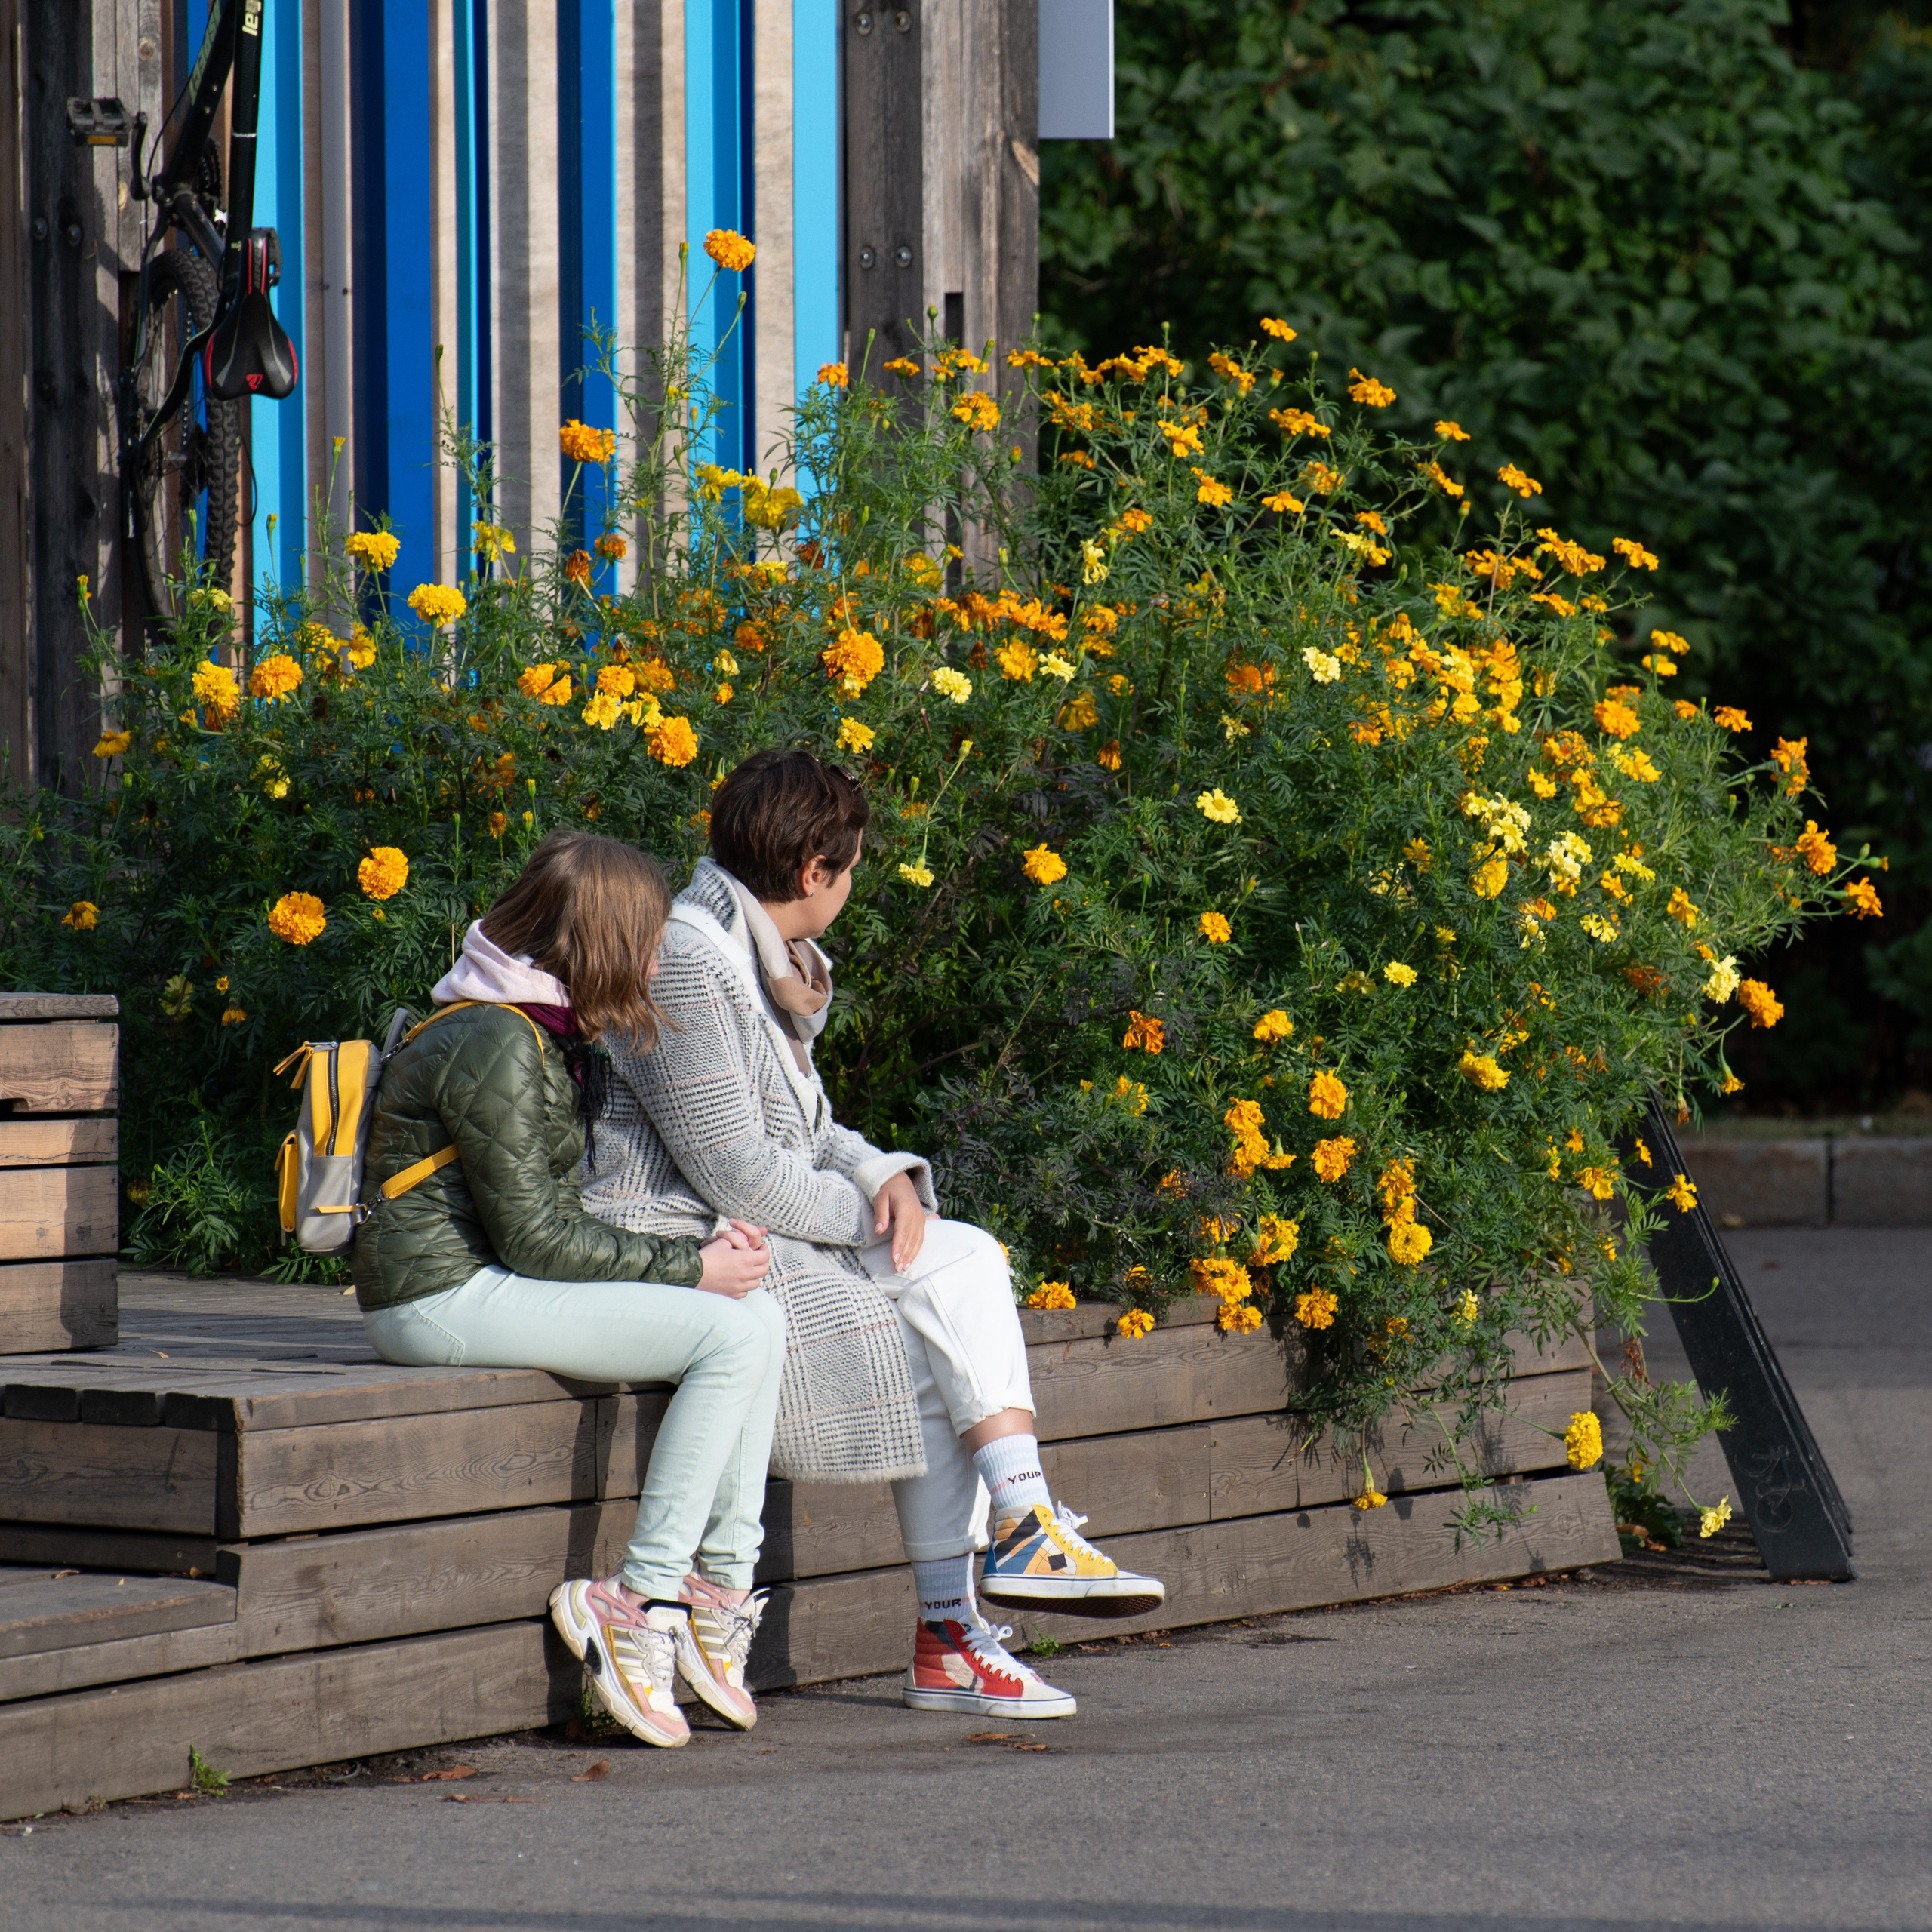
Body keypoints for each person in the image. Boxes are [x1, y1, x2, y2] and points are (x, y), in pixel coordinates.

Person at [583, 750, 1164, 1721]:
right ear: (817, 872)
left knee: (948, 1293)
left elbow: (802, 1128)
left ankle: (978, 1593)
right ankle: (985, 1577)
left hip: (748, 1225)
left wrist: (882, 1171)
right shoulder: (690, 955)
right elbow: (736, 1167)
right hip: (684, 1235)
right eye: (850, 867)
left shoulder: (754, 949)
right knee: (957, 1273)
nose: (852, 885)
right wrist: (872, 1216)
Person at [353, 829, 784, 1749]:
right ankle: (639, 1597)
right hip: (435, 1299)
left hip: (481, 1281)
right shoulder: (495, 1039)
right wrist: (690, 1268)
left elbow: (543, 1220)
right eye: (650, 938)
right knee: (732, 1332)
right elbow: (540, 1239)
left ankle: (717, 1582)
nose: (659, 958)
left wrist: (706, 1258)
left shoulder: (529, 1023)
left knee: (761, 1314)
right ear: (600, 941)